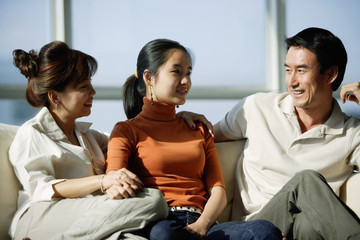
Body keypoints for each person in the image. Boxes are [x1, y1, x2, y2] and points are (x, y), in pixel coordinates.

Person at [182, 27, 360, 239]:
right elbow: (203, 138)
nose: (292, 81)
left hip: (302, 231)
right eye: (288, 70)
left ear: (330, 74)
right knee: (305, 181)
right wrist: (182, 119)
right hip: (256, 230)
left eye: (301, 70)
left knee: (307, 225)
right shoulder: (256, 107)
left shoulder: (351, 133)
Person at [106, 38, 283, 240]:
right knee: (164, 234)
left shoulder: (197, 128)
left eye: (188, 73)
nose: (185, 81)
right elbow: (115, 179)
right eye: (177, 72)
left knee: (263, 231)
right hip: (160, 221)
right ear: (149, 77)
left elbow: (218, 191)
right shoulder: (126, 131)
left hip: (203, 223)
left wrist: (202, 225)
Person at [9, 41, 168, 240]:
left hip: (87, 221)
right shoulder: (32, 133)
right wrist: (102, 180)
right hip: (40, 218)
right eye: (84, 86)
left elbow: (135, 140)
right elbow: (42, 188)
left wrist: (183, 120)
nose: (93, 92)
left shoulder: (88, 136)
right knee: (153, 201)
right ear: (55, 97)